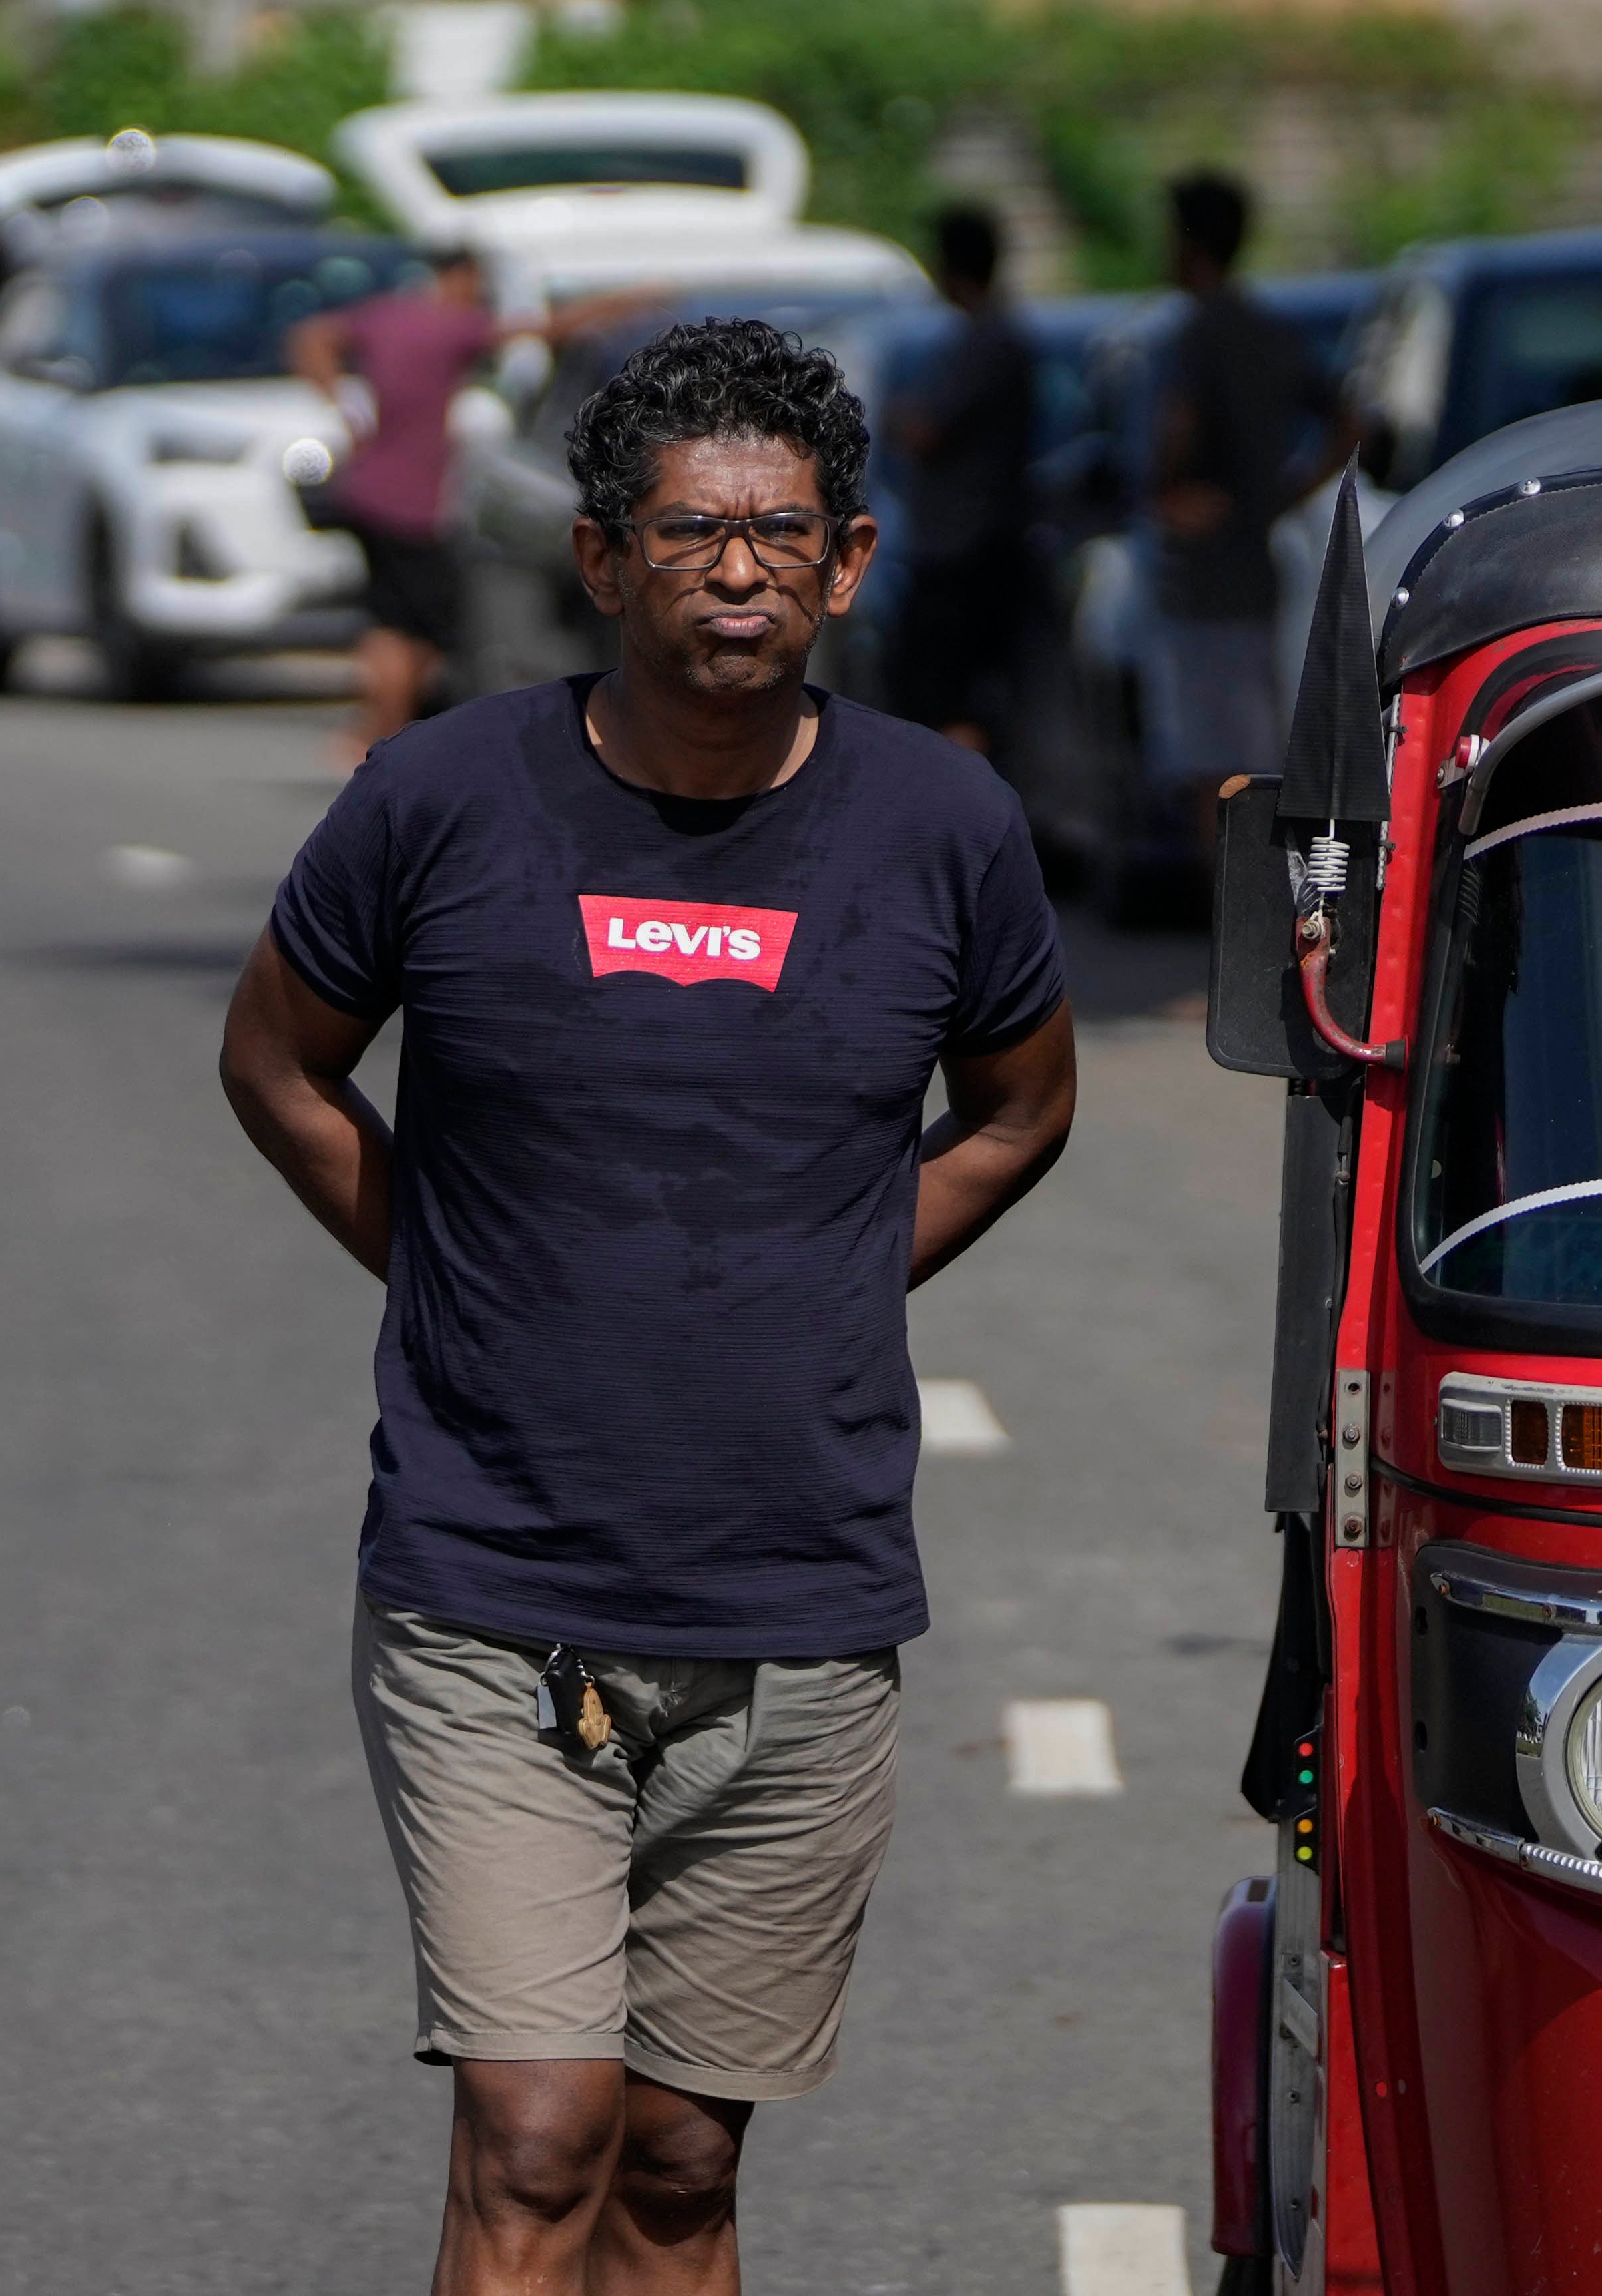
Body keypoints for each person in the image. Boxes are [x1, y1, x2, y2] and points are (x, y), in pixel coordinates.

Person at [218, 318, 1078, 2296]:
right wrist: (447, 1266)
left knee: (682, 2164)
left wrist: (837, 1278)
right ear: (604, 561)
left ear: (849, 560)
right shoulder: (439, 802)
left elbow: (1022, 1109)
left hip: (795, 1598)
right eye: (689, 535)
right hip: (491, 1581)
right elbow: (275, 1061)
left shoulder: (939, 835)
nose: (738, 573)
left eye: (781, 537)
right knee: (537, 2142)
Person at [1135, 169, 1346, 835]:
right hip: (1260, 567)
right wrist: (1286, 494)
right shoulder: (1268, 329)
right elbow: (1349, 420)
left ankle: (1230, 923)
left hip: (1206, 576)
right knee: (1261, 749)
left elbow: (1180, 428)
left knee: (1216, 773)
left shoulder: (1197, 333)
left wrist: (1164, 491)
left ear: (1188, 243)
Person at [292, 242, 503, 766]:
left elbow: (311, 334)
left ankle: (378, 728)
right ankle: (382, 732)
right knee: (418, 629)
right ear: (460, 276)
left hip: (370, 494)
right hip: (413, 508)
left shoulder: (388, 316)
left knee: (389, 620)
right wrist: (619, 303)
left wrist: (342, 404)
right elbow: (541, 332)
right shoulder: (454, 324)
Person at [878, 202, 1041, 754]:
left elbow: (929, 431)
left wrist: (897, 415)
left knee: (948, 693)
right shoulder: (993, 338)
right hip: (973, 545)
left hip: (963, 551)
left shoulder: (985, 343)